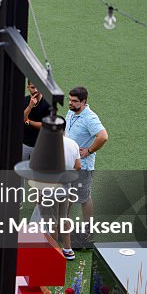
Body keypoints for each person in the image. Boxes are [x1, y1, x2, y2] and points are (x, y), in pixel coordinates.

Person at [64, 86, 108, 247]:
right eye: (69, 100)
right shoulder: (72, 112)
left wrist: (89, 151)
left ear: (84, 102)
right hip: (69, 164)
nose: (70, 103)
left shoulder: (90, 118)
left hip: (82, 167)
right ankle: (64, 225)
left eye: (74, 101)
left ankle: (89, 231)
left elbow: (103, 136)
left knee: (84, 198)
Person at [22, 80, 52, 160]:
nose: (35, 90)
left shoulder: (48, 103)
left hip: (39, 145)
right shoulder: (25, 100)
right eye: (32, 87)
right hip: (24, 143)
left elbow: (45, 126)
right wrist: (30, 106)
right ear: (28, 87)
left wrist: (28, 121)